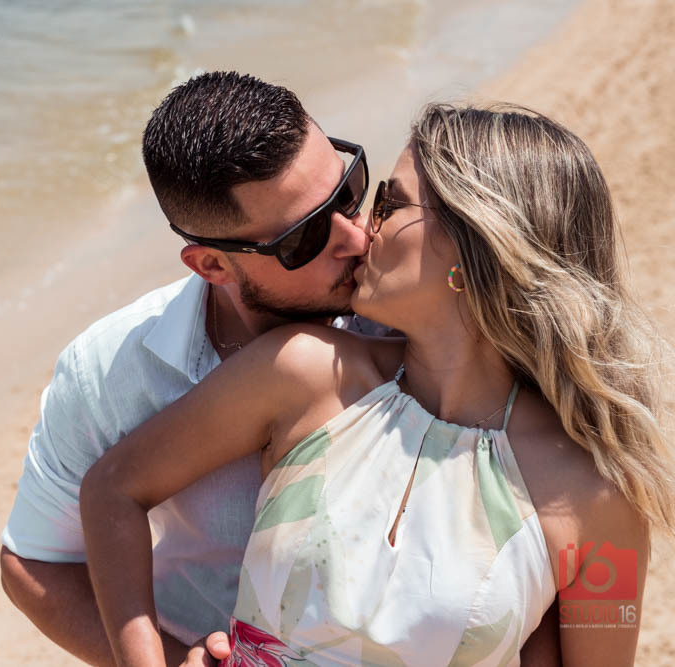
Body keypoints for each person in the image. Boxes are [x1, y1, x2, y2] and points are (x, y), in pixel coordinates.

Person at [80, 103, 675, 666]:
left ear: (474, 246)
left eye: (390, 202)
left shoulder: (598, 498)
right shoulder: (300, 373)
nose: (363, 227)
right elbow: (112, 488)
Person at [0, 71, 377, 665]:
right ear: (211, 265)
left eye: (350, 190)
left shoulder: (413, 313)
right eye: (305, 238)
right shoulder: (110, 369)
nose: (356, 238)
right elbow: (37, 561)